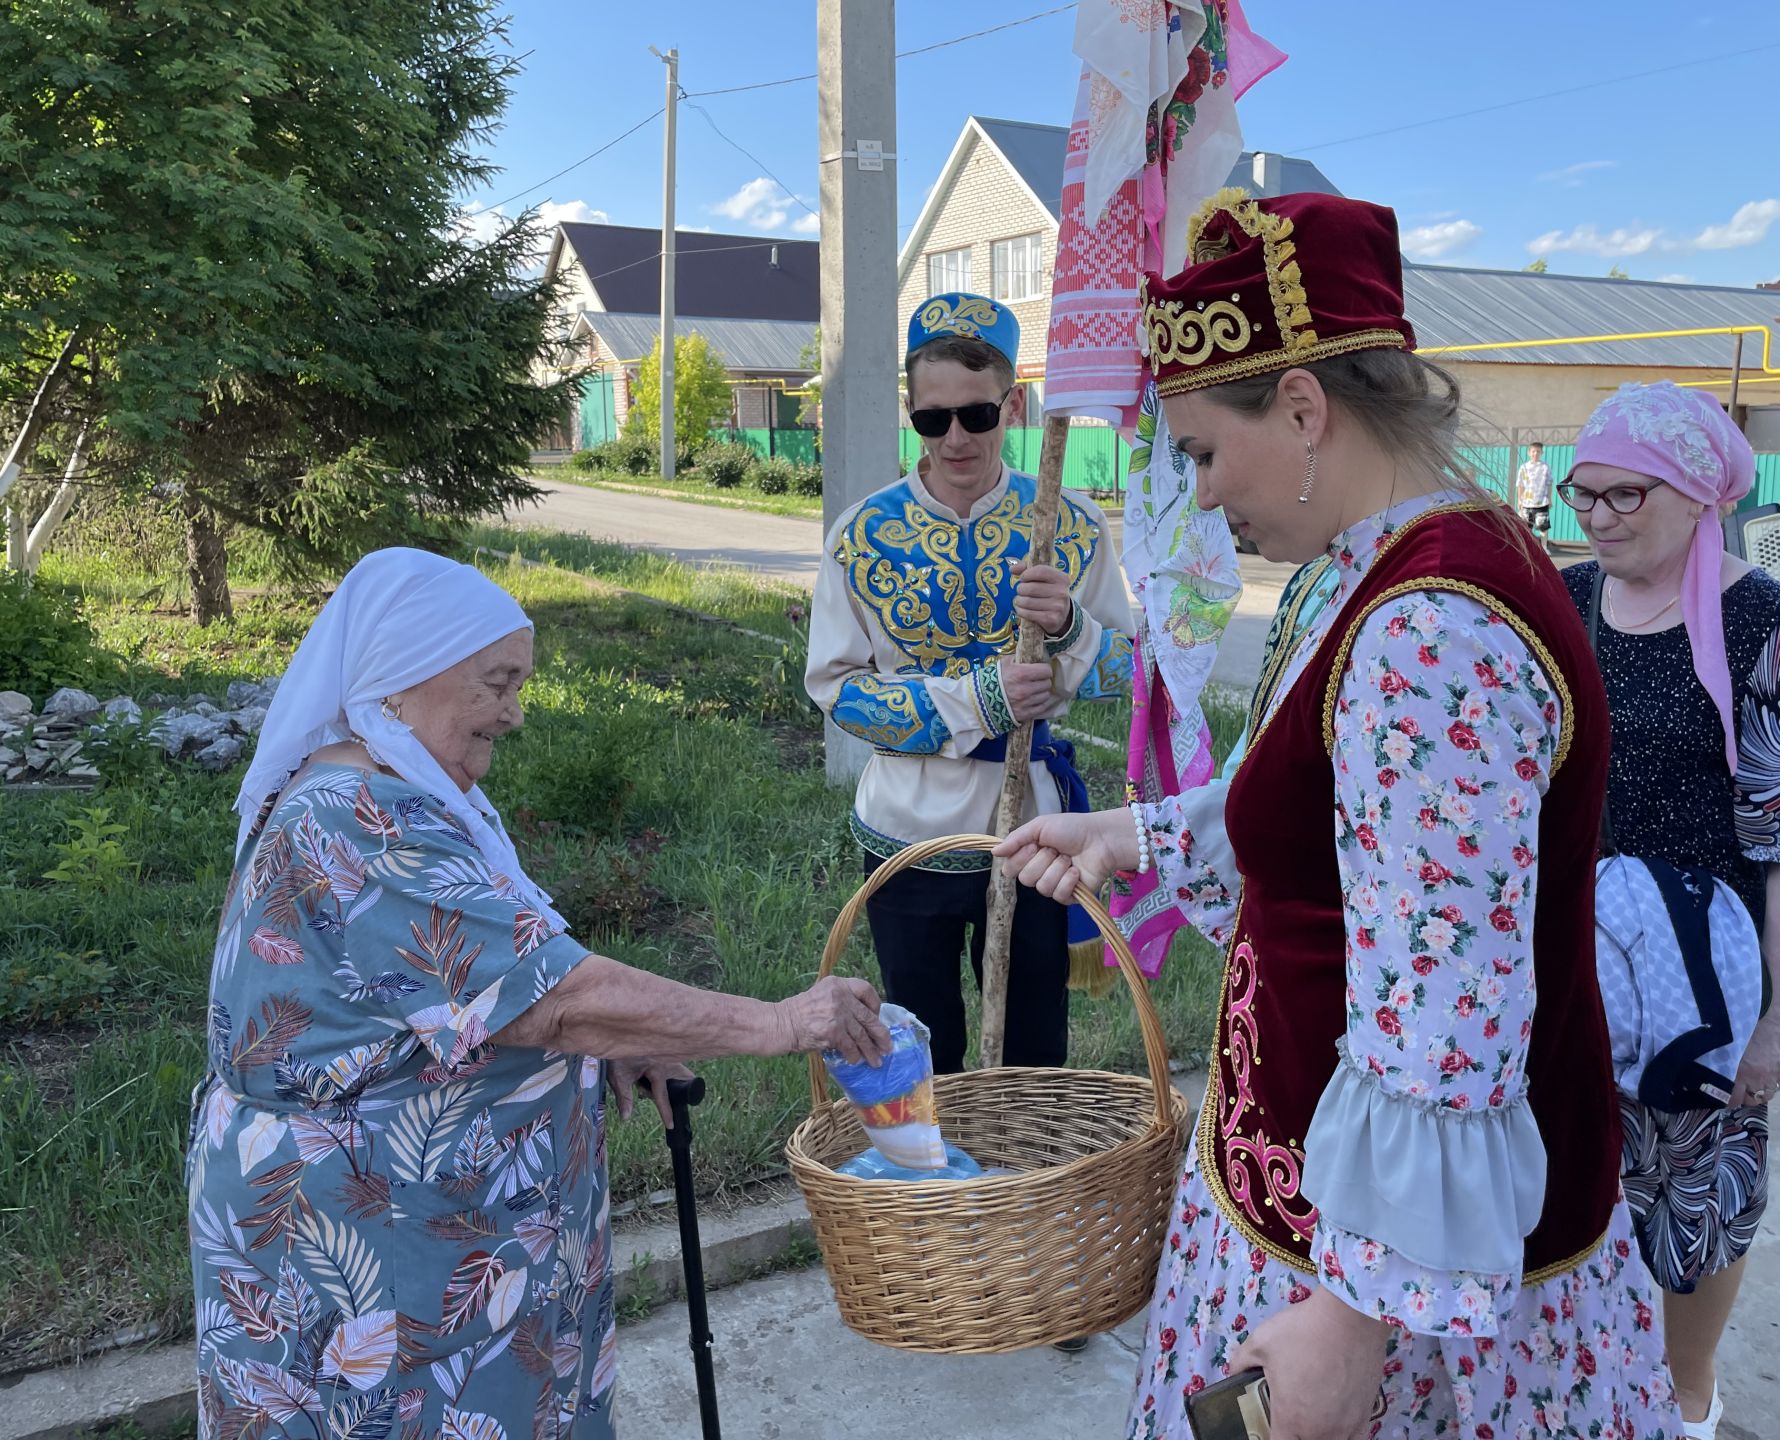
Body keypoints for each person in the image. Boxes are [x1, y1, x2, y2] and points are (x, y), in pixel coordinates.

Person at [999, 191, 1681, 1440]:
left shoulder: (1430, 628)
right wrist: (1140, 835)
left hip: (1381, 1256)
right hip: (1317, 1185)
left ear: (1305, 408)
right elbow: (1334, 816)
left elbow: (1446, 1005)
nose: (1201, 498)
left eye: (1205, 452)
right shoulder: (1384, 564)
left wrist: (1355, 1315)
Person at [188, 548, 887, 1440]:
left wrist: (611, 1038)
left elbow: (487, 986)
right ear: (404, 675)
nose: (514, 713)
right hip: (379, 1247)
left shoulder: (405, 786)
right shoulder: (356, 816)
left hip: (440, 1232)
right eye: (496, 682)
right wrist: (784, 1022)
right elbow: (554, 997)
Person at [1558, 382, 1780, 1439]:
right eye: (1580, 494)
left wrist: (1776, 1018)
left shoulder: (1767, 624)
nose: (1595, 515)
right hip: (1567, 962)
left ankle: (1687, 1394)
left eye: (1622, 494)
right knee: (1570, 1178)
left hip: (1702, 980)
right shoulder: (1567, 601)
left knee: (1696, 1203)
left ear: (1693, 493)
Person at [804, 292, 1132, 1077]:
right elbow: (837, 688)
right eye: (932, 419)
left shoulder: (1071, 524)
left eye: (977, 417)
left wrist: (1069, 631)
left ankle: (1022, 1192)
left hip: (1033, 835)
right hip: (907, 834)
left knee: (1029, 1049)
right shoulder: (862, 534)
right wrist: (977, 701)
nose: (955, 438)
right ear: (910, 411)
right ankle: (936, 1191)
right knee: (921, 1049)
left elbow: (1132, 673)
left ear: (1013, 406)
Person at [1517, 440, 1553, 539]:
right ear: (1529, 453)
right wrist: (1519, 500)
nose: (1535, 453)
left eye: (1538, 451)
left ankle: (1544, 548)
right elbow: (1520, 485)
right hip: (1526, 503)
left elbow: (1549, 484)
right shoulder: (1524, 467)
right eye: (1533, 451)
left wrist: (1549, 499)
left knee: (1543, 528)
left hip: (1541, 502)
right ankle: (1527, 549)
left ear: (1541, 453)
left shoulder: (1545, 467)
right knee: (1526, 528)